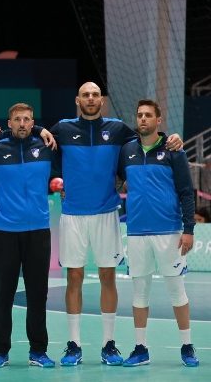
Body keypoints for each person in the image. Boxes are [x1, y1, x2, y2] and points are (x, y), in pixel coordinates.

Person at [49, 82, 182, 366]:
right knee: (74, 277)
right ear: (77, 100)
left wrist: (173, 138)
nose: (90, 99)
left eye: (95, 95)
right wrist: (39, 134)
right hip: (72, 214)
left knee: (108, 276)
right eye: (85, 95)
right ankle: (74, 345)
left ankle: (109, 344)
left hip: (106, 213)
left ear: (102, 101)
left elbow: (150, 137)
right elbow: (40, 139)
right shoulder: (62, 128)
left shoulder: (119, 129)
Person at [116, 99, 199, 368]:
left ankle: (187, 346)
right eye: (139, 115)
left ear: (158, 120)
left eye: (148, 115)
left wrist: (189, 230)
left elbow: (187, 192)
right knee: (139, 293)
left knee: (177, 291)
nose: (142, 119)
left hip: (169, 232)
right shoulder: (126, 150)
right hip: (137, 232)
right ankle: (141, 348)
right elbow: (114, 180)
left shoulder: (173, 150)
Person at [0, 103, 58, 369]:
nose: (22, 124)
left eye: (27, 119)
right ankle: (0, 351)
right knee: (2, 294)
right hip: (4, 233)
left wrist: (40, 129)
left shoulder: (46, 146)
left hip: (38, 231)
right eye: (17, 120)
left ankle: (38, 350)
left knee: (38, 294)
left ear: (33, 121)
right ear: (9, 122)